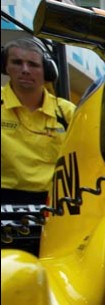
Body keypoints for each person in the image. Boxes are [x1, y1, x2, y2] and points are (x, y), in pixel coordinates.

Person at [1, 38, 76, 204]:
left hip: (54, 204)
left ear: (47, 71)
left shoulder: (67, 112)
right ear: (5, 67)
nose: (25, 70)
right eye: (17, 62)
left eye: (33, 64)